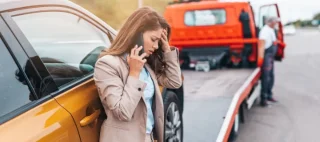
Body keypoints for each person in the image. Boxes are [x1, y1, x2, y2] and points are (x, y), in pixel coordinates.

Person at [93, 7, 182, 142]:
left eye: (159, 41)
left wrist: (166, 49)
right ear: (137, 35)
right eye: (153, 39)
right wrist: (134, 74)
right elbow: (122, 112)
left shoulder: (145, 64)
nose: (156, 46)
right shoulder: (107, 64)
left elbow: (174, 81)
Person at [259, 16, 280, 107]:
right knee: (266, 78)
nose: (276, 23)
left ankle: (269, 95)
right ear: (271, 22)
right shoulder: (265, 31)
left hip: (270, 56)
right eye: (275, 22)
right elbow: (262, 44)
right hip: (267, 56)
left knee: (271, 77)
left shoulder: (271, 30)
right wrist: (261, 58)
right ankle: (264, 99)